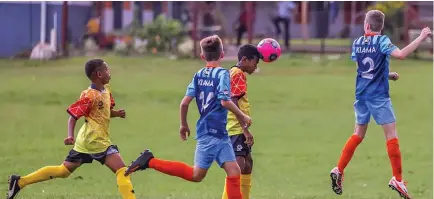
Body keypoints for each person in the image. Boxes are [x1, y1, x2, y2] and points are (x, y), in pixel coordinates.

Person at [124, 35, 252, 199]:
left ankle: (149, 161)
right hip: (211, 133)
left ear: (202, 56)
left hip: (219, 133)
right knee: (196, 175)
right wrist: (243, 116)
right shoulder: (222, 74)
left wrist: (183, 125)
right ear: (222, 54)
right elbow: (225, 101)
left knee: (234, 171)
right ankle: (150, 161)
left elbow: (184, 103)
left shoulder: (198, 75)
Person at [329, 10, 432, 199]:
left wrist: (387, 75)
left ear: (366, 26)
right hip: (378, 97)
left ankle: (339, 169)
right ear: (381, 27)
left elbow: (366, 70)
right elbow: (400, 54)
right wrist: (421, 37)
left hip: (361, 96)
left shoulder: (358, 43)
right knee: (391, 136)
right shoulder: (382, 41)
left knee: (357, 134)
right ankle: (398, 179)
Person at [7, 59, 137, 199]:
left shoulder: (106, 90)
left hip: (86, 141)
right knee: (123, 171)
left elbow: (105, 111)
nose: (109, 72)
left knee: (63, 171)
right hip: (95, 140)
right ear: (99, 74)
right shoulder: (89, 95)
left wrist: (116, 114)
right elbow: (73, 116)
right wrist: (70, 135)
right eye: (107, 70)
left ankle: (20, 182)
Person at [221, 44, 260, 199]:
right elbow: (233, 100)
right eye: (254, 62)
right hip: (236, 127)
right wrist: (245, 129)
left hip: (236, 127)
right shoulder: (238, 74)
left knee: (247, 164)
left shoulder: (234, 72)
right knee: (238, 167)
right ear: (244, 59)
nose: (256, 66)